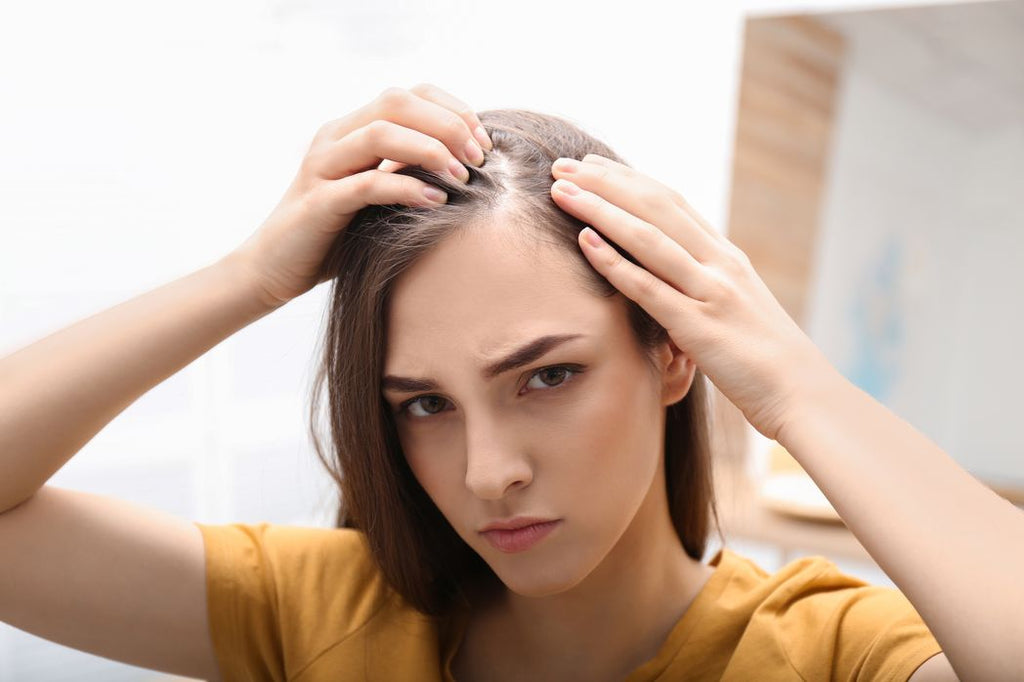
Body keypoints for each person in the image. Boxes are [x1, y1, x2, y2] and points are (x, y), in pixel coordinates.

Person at [0, 83, 1019, 682]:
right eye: (425, 404)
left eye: (547, 376)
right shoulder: (324, 615)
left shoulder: (827, 653)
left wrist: (796, 386)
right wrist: (249, 277)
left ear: (671, 352)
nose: (488, 473)